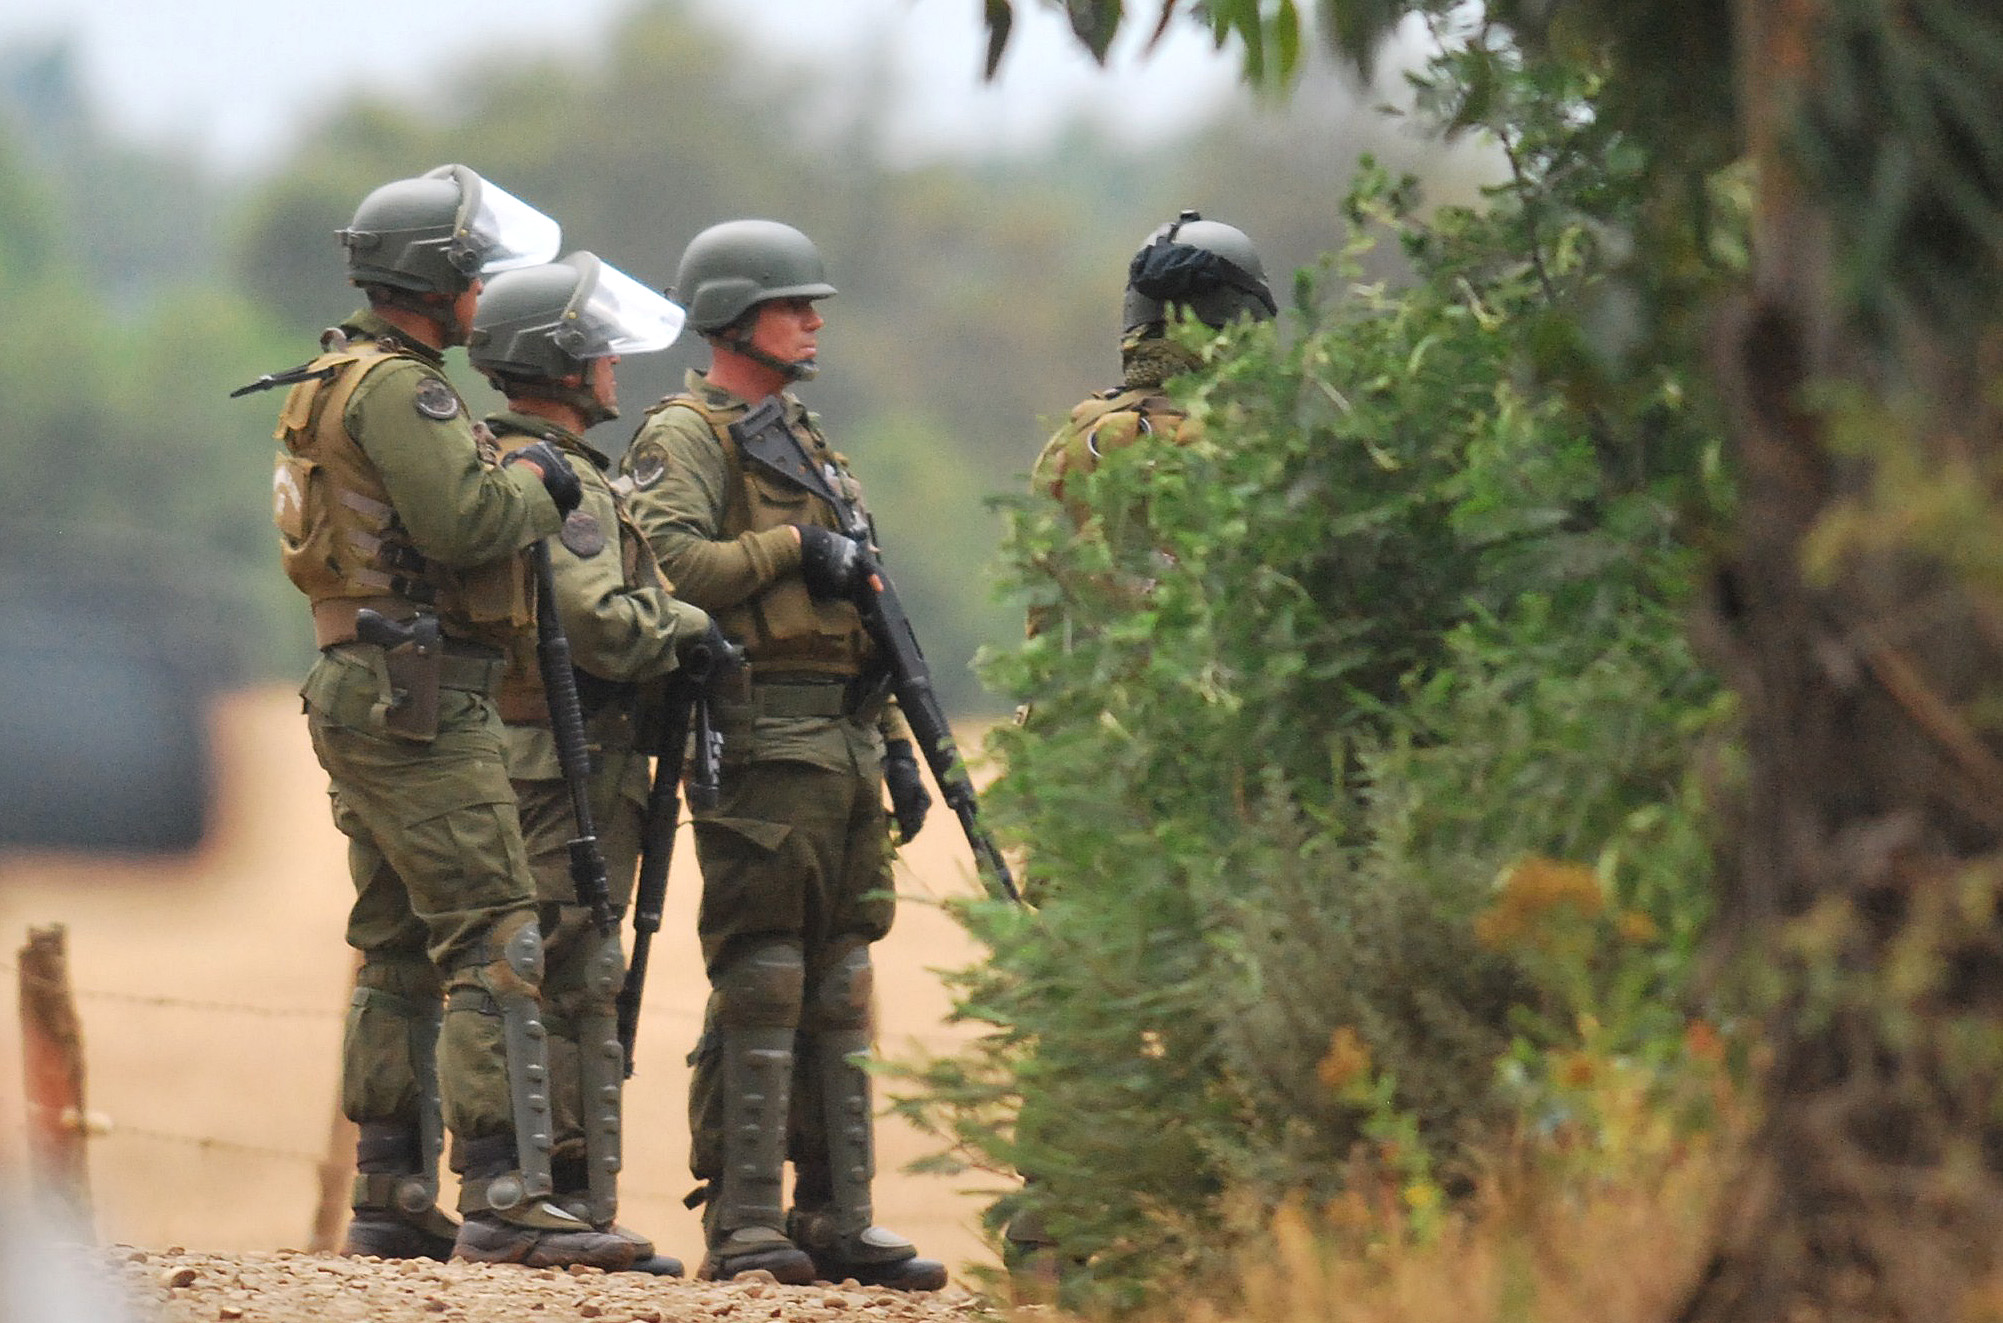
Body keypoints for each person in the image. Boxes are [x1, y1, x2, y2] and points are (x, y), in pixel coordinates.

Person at [256, 165, 638, 1271]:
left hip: (360, 677)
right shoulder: (402, 391)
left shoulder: (334, 376)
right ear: (438, 283)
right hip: (423, 694)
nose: (489, 296)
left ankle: (390, 1189)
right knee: (495, 935)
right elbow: (469, 521)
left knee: (392, 947)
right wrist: (544, 481)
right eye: (477, 275)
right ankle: (508, 1193)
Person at [617, 219, 945, 1291]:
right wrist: (792, 547)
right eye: (792, 304)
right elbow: (667, 562)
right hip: (759, 728)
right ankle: (749, 1221)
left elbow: (862, 612)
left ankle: (837, 1217)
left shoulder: (803, 442)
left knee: (843, 975)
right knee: (761, 971)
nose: (813, 320)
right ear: (733, 317)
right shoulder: (688, 436)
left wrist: (893, 741)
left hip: (841, 730)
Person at [1006, 210, 1276, 1288]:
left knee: (1083, 1007)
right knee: (1221, 1012)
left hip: (1080, 776)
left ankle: (1050, 1247)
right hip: (1201, 776)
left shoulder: (1071, 442)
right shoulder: (1243, 453)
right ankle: (1209, 1254)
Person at [464, 251, 721, 1276]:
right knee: (563, 961)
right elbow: (598, 622)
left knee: (582, 964)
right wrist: (691, 629)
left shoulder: (549, 467)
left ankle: (570, 1201)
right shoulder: (558, 482)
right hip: (551, 758)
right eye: (598, 346)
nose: (616, 363)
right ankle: (533, 1197)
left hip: (579, 753)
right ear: (561, 363)